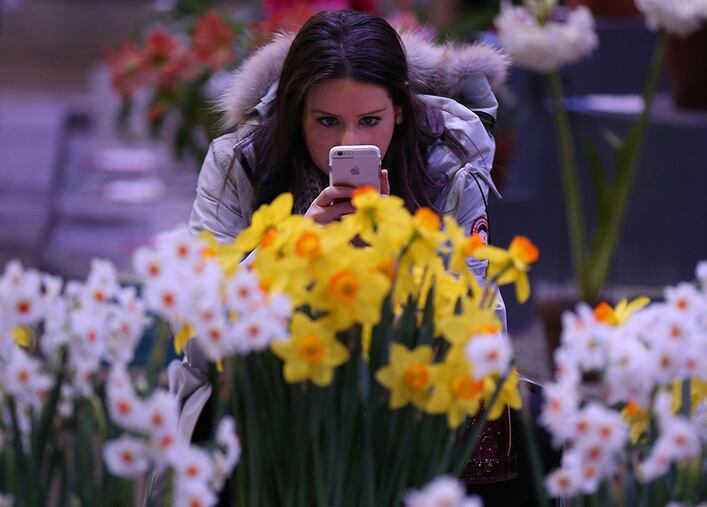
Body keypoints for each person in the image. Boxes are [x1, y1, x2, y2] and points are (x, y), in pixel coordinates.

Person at [165, 9, 544, 504]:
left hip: (405, 393)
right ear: (295, 112)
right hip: (276, 389)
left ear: (401, 110)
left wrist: (396, 257)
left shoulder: (446, 163)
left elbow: (479, 320)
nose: (349, 143)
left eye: (370, 120)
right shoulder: (242, 162)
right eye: (326, 121)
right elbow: (197, 319)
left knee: (519, 413)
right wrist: (296, 249)